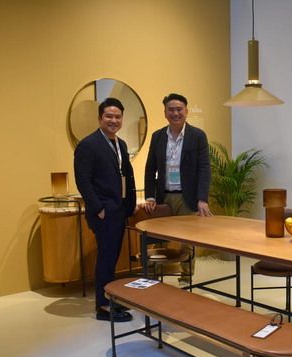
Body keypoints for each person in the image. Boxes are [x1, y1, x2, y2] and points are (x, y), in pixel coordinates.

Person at [74, 97, 137, 322]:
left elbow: (124, 175)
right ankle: (103, 306)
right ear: (100, 118)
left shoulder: (120, 144)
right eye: (109, 116)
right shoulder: (89, 144)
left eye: (117, 116)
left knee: (112, 258)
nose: (113, 120)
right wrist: (98, 208)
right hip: (104, 212)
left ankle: (109, 299)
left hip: (118, 209)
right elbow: (83, 181)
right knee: (106, 258)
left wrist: (129, 204)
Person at [143, 93, 212, 283]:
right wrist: (150, 196)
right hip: (163, 197)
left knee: (188, 241)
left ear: (186, 111)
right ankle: (155, 278)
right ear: (165, 112)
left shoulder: (197, 136)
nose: (175, 113)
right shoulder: (157, 136)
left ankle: (186, 278)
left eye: (179, 109)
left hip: (187, 197)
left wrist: (202, 198)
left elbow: (204, 169)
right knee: (160, 239)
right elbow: (150, 168)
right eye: (171, 109)